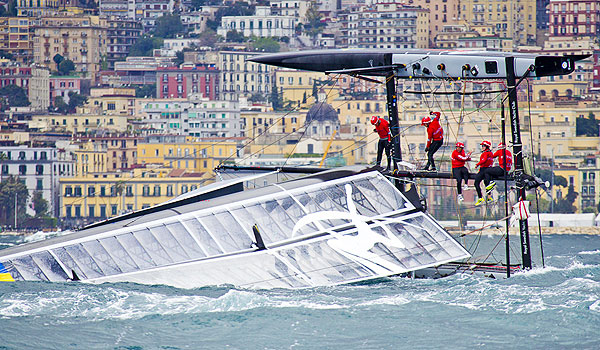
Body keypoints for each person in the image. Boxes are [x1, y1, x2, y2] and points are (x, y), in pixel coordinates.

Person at [474, 140, 494, 206]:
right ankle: (489, 197)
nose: (482, 147)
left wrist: (477, 164)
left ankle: (480, 198)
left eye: (483, 146)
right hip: (489, 170)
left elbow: (484, 160)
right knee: (487, 183)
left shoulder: (485, 153)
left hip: (483, 169)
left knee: (476, 183)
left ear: (487, 147)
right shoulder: (491, 153)